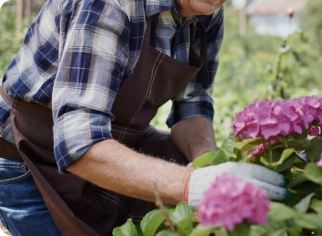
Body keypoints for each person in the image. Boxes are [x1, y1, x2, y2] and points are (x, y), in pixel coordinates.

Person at [0, 0, 290, 235]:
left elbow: (192, 103)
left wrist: (209, 166)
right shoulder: (110, 4)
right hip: (28, 154)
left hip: (113, 138)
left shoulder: (207, 10)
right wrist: (193, 186)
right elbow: (81, 146)